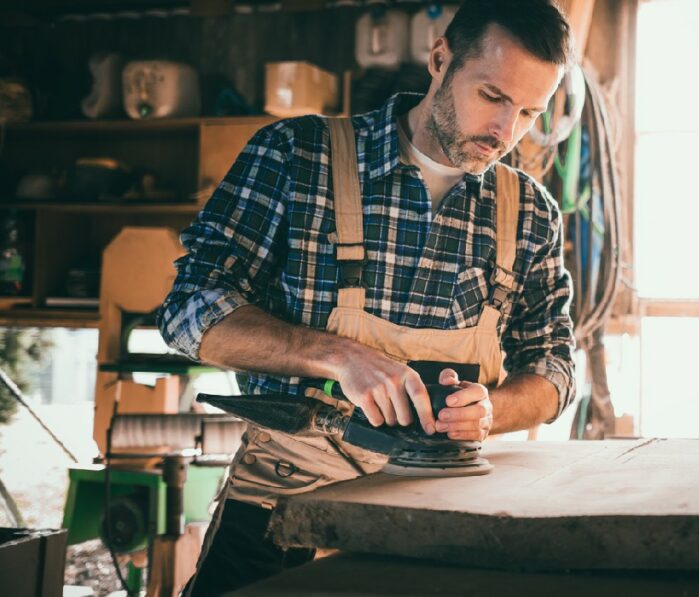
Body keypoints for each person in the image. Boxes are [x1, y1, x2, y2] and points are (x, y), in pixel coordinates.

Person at [158, 0, 576, 593]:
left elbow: (554, 368)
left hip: (445, 514)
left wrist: (492, 412)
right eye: (493, 97)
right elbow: (187, 310)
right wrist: (336, 356)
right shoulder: (296, 156)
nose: (506, 132)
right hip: (285, 506)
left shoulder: (531, 212)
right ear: (440, 59)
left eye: (530, 112)